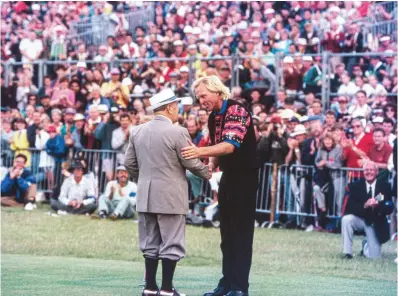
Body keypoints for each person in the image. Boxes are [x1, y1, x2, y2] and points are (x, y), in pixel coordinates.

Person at [124, 88, 210, 296]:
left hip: (146, 194)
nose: (178, 109)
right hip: (170, 195)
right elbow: (190, 161)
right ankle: (167, 289)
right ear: (170, 107)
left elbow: (129, 163)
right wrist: (208, 173)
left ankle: (150, 288)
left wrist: (144, 179)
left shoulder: (137, 131)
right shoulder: (178, 131)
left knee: (150, 243)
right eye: (176, 105)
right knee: (171, 242)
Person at [181, 76, 259, 296]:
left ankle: (239, 287)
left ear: (217, 91)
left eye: (204, 95)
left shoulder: (236, 110)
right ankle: (226, 283)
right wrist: (211, 163)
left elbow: (229, 146)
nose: (201, 100)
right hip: (228, 177)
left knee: (241, 234)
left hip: (245, 178)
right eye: (198, 97)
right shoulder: (214, 116)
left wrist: (199, 151)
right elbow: (218, 145)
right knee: (227, 235)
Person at [341, 161, 393, 259]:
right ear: (363, 172)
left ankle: (365, 245)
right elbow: (349, 206)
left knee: (374, 257)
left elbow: (390, 207)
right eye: (366, 170)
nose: (369, 172)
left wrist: (378, 206)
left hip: (375, 223)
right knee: (346, 219)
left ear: (377, 172)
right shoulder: (354, 186)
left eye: (371, 170)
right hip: (360, 219)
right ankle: (347, 253)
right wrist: (365, 205)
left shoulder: (385, 186)